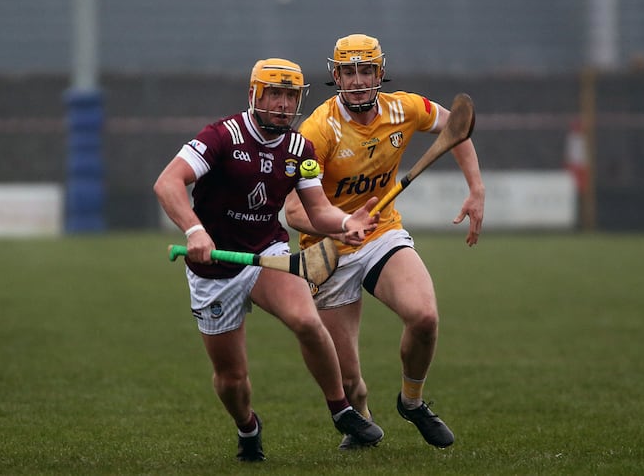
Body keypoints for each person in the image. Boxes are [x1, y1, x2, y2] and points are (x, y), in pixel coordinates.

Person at [154, 57, 385, 462]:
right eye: (273, 94)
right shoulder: (221, 137)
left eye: (289, 95)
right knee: (232, 379)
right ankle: (247, 427)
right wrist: (195, 230)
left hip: (266, 253)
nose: (281, 104)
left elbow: (318, 212)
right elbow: (168, 182)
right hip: (216, 269)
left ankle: (341, 410)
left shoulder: (300, 148)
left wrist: (346, 221)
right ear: (253, 95)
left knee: (307, 321)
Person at [284, 34, 485, 450]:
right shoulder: (317, 131)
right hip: (328, 249)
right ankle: (363, 422)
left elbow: (456, 125)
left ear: (380, 73)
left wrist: (476, 189)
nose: (357, 80)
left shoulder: (404, 108)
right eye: (348, 71)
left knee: (425, 317)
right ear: (335, 75)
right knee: (351, 383)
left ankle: (411, 402)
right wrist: (341, 224)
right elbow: (294, 211)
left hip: (381, 234)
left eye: (366, 70)